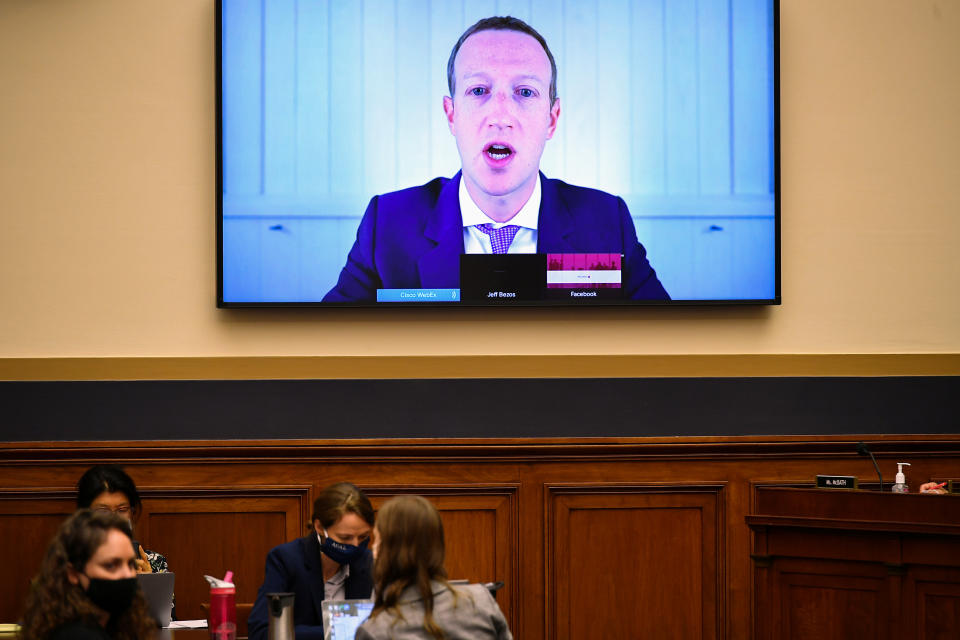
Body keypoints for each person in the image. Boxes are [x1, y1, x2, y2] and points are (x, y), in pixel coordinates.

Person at [324, 16, 668, 302]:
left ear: (552, 119)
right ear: (452, 115)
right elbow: (328, 350)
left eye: (525, 92)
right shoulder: (387, 226)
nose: (500, 115)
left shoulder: (608, 224)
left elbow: (664, 347)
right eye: (478, 90)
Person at [355, 495, 512, 640]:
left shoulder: (375, 631)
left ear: (387, 553)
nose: (372, 550)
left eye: (376, 542)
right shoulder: (481, 601)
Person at [247, 482, 375, 640]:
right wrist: (338, 631)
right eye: (345, 538)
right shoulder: (286, 559)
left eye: (363, 537)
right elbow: (262, 632)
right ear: (320, 527)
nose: (355, 545)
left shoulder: (370, 563)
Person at [18, 509, 157, 640]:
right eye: (111, 565)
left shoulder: (110, 625)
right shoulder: (77, 635)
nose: (128, 575)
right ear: (73, 573)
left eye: (131, 564)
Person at [75, 465, 167, 574]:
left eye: (122, 510)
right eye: (103, 511)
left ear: (132, 513)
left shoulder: (154, 562)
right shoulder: (70, 563)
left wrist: (148, 583)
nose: (114, 519)